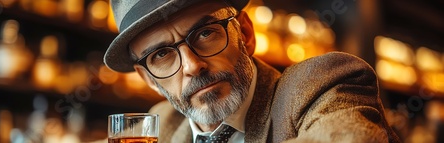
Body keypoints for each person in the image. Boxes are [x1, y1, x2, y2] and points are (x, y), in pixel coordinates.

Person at [102, 0, 400, 142]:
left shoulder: (319, 85)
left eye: (206, 33)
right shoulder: (159, 127)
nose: (193, 66)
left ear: (244, 33)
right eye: (162, 54)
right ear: (148, 79)